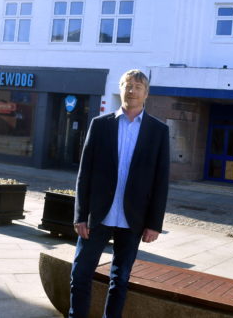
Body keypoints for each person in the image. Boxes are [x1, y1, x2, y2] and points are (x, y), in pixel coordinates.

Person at [68, 69, 170, 318]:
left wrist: (154, 224)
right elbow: (85, 174)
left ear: (146, 93)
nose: (132, 90)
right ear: (120, 88)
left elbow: (161, 181)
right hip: (97, 216)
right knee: (80, 274)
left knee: (120, 279)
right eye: (127, 85)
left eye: (138, 86)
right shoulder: (100, 125)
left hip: (133, 218)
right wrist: (80, 216)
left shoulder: (158, 131)